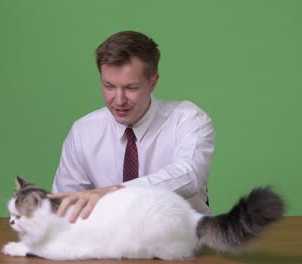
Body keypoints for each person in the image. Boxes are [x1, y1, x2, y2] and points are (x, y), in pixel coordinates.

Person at [48, 31, 215, 223]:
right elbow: (64, 209)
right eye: (109, 86)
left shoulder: (188, 119)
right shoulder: (83, 132)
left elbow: (189, 175)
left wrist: (117, 192)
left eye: (131, 88)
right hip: (109, 244)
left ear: (153, 83)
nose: (118, 100)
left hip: (183, 244)